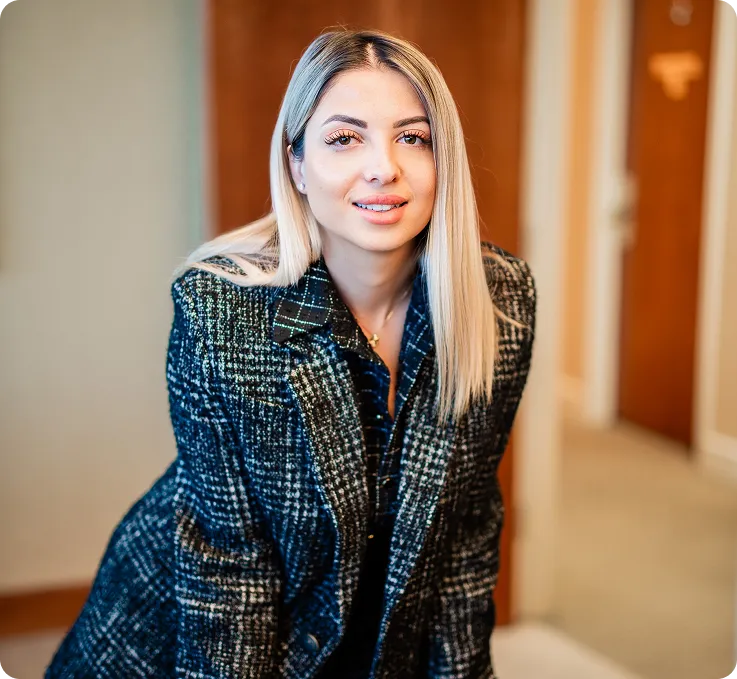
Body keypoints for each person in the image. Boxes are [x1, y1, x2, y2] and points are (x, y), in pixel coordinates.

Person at [46, 27, 535, 679]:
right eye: (344, 138)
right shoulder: (221, 311)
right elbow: (230, 574)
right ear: (297, 163)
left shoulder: (500, 300)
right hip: (177, 638)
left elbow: (465, 534)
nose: (383, 167)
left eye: (413, 138)